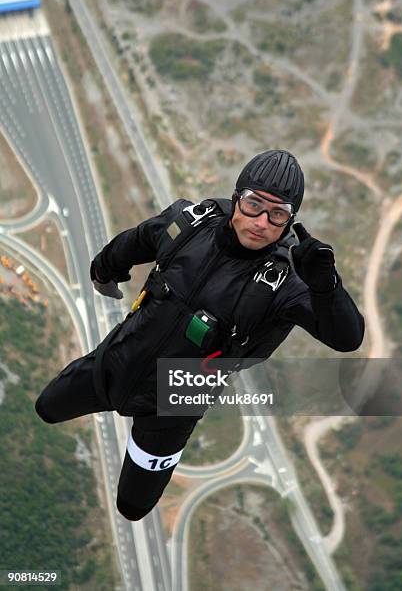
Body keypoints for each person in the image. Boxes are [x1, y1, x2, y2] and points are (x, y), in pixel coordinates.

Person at [35, 149, 365, 521]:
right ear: (237, 197)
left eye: (278, 214)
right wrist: (104, 270)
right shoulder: (192, 223)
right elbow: (142, 238)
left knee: (132, 508)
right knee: (46, 408)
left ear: (290, 221)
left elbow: (348, 337)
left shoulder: (288, 281)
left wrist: (326, 287)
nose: (261, 221)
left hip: (176, 403)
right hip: (117, 361)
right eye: (254, 204)